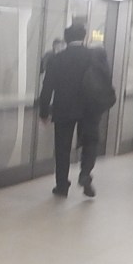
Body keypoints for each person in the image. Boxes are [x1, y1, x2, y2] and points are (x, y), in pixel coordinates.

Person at [39, 23, 110, 198]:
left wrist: (44, 111)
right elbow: (105, 79)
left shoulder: (57, 59)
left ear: (66, 39)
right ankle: (85, 174)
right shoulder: (93, 57)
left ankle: (62, 185)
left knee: (62, 148)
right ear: (84, 37)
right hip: (89, 109)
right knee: (90, 143)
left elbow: (47, 87)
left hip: (64, 109)